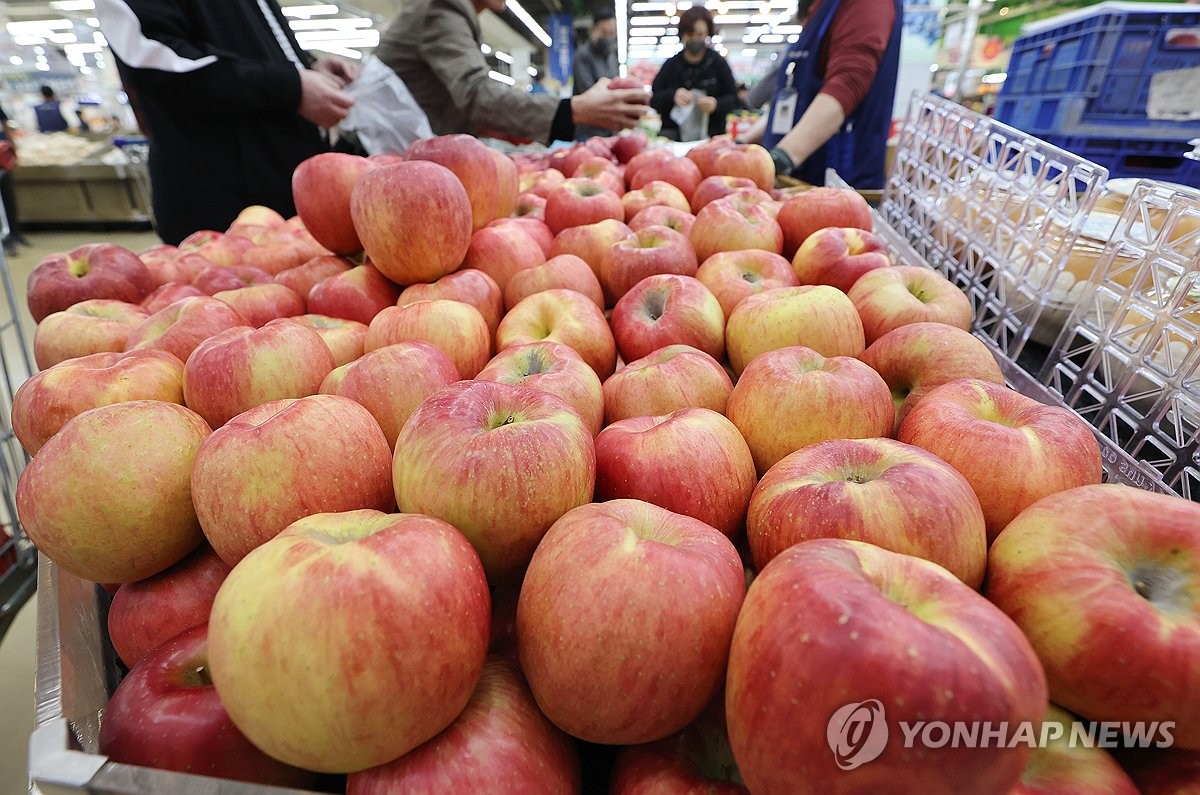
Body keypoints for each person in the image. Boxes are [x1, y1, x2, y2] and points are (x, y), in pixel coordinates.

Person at [95, 0, 357, 246]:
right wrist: (289, 86)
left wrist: (307, 68)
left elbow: (245, 43)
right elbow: (156, 59)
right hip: (220, 203)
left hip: (289, 194)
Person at [375, 0, 646, 145]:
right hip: (378, 149)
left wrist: (507, 128)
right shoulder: (441, 7)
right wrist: (572, 110)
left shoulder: (454, 13)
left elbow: (445, 95)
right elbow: (475, 94)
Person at [745, 0, 902, 189]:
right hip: (799, 183)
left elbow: (848, 83)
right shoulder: (821, 11)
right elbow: (793, 102)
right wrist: (743, 141)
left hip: (835, 187)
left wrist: (783, 157)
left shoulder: (866, 4)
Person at [649, 7, 739, 141]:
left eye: (700, 34)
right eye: (690, 35)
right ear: (683, 34)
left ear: (708, 33)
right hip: (674, 137)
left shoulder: (718, 63)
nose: (695, 39)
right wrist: (673, 95)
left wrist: (716, 104)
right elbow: (654, 99)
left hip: (712, 136)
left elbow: (734, 98)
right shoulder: (671, 65)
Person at [573, 10, 619, 139]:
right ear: (593, 30)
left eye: (612, 33)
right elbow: (588, 94)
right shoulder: (583, 56)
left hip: (608, 128)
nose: (608, 37)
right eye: (604, 32)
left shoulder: (611, 56)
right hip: (588, 129)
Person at [0, 104, 29, 257]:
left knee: (8, 199)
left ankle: (14, 234)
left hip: (2, 158)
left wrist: (14, 151)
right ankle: (7, 239)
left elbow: (6, 126)